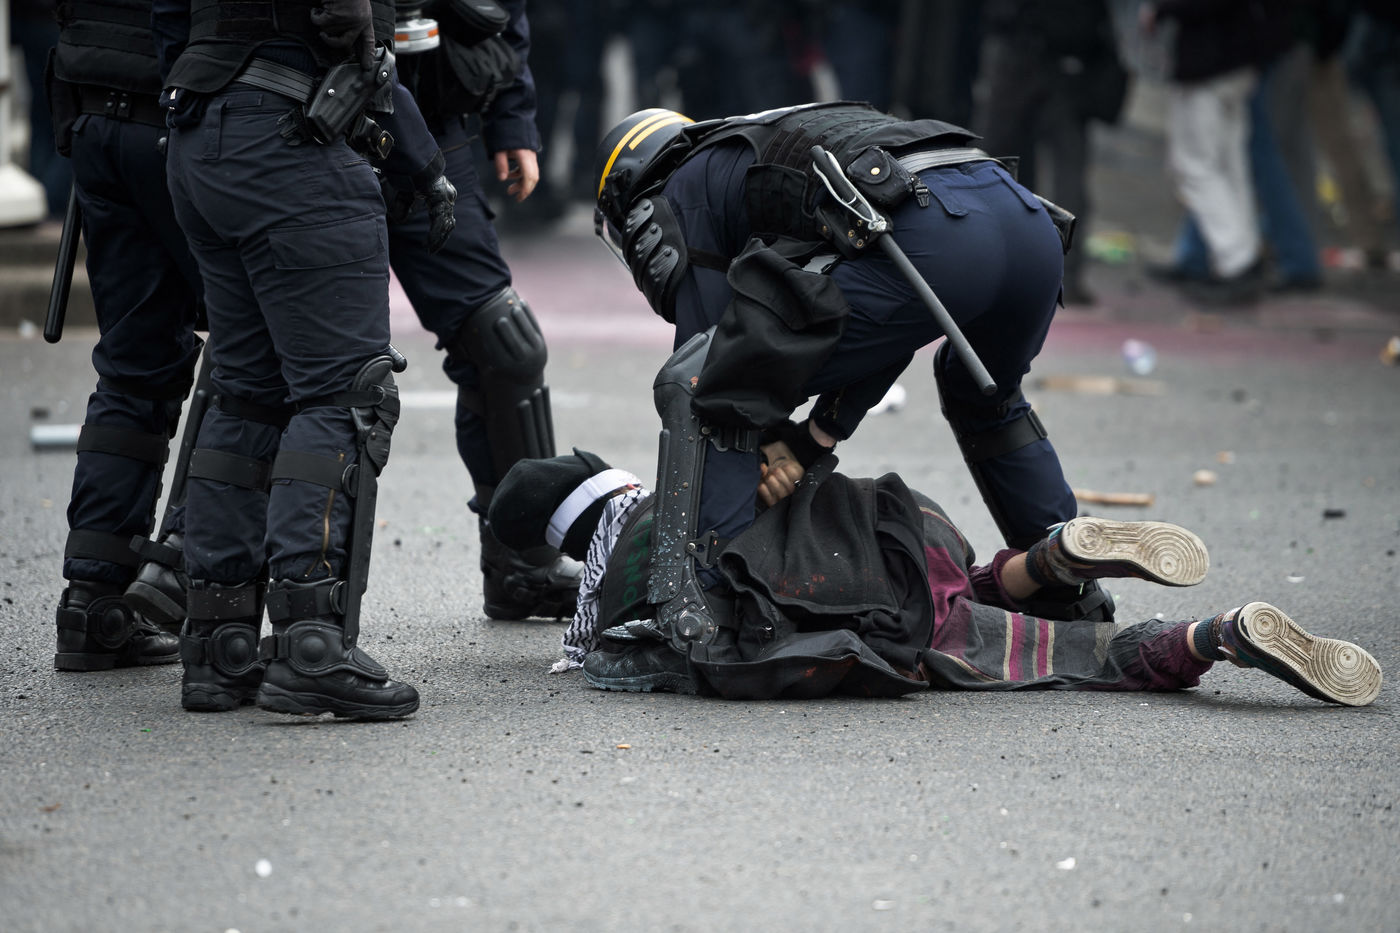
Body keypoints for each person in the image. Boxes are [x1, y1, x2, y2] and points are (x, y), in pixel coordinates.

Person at [590, 101, 1111, 668]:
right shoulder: (766, 140)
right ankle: (1064, 579)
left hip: (934, 235)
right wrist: (810, 439)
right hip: (1026, 224)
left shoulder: (683, 187)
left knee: (704, 387)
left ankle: (706, 618)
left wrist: (760, 440)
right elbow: (885, 324)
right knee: (989, 398)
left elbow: (713, 364)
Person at [488, 450, 1383, 706]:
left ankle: (1216, 636)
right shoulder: (692, 470)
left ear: (571, 538)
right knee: (965, 585)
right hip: (899, 523)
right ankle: (1055, 557)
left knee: (1081, 655)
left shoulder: (619, 570)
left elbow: (618, 657)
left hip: (855, 598)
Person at [152, 0, 440, 718]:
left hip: (201, 131)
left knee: (246, 392)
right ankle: (312, 645)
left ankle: (219, 646)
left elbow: (167, 19)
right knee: (345, 394)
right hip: (293, 129)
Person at [387, 0, 583, 622]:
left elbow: (499, 11)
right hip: (310, 128)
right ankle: (196, 574)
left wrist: (512, 119)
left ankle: (524, 563)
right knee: (277, 361)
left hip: (434, 121)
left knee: (504, 344)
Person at [44, 0, 203, 673]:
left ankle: (93, 604)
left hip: (96, 113)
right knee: (259, 358)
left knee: (135, 365)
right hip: (186, 113)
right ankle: (188, 580)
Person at [973, 0, 1129, 305]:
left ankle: (997, 263)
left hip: (1022, 51)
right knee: (1067, 174)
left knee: (997, 167)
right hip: (1070, 60)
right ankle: (1064, 275)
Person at [1138, 0, 1266, 304]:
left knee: (1195, 166)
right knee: (1229, 165)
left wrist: (1161, 9)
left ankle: (1237, 259)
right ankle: (1243, 256)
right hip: (1236, 57)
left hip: (1208, 62)